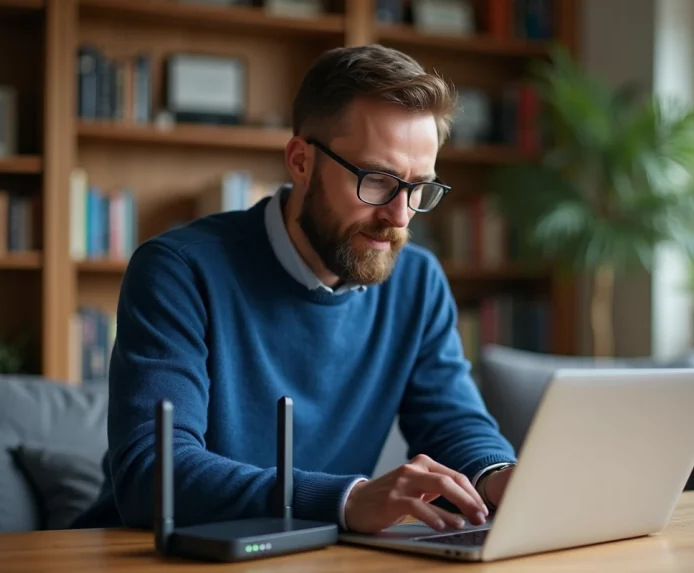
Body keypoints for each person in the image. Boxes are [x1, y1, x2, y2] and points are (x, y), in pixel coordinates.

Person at [72, 44, 517, 535]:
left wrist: (498, 476)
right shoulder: (178, 271)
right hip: (147, 556)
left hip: (319, 554)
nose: (400, 215)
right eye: (377, 181)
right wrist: (345, 500)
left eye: (419, 187)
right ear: (301, 162)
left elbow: (452, 421)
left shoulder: (417, 280)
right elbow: (151, 474)